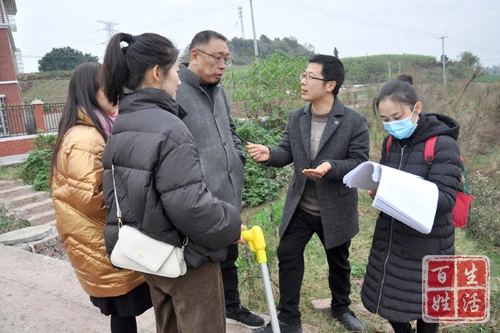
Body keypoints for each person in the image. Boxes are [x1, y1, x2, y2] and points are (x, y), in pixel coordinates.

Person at [100, 32, 243, 333]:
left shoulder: (124, 124)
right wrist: (231, 225)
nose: (179, 80)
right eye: (176, 71)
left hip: (150, 254)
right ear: (157, 73)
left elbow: (119, 197)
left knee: (169, 326)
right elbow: (190, 206)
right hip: (186, 258)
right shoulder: (169, 127)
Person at [247, 55, 370, 333]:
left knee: (338, 261)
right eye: (303, 75)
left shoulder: (353, 121)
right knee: (288, 255)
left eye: (309, 77)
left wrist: (331, 167)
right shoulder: (297, 117)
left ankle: (341, 308)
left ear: (330, 85)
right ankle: (288, 319)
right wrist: (269, 154)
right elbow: (286, 152)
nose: (302, 81)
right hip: (301, 205)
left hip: (334, 207)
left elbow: (360, 162)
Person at [50, 62, 152, 333]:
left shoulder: (96, 127)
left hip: (100, 243)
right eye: (108, 87)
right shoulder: (85, 138)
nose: (116, 91)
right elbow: (93, 198)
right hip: (101, 245)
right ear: (89, 91)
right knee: (122, 312)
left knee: (123, 313)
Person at [175, 30, 265, 329]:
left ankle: (232, 306)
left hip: (229, 190)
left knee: (229, 254)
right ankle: (209, 316)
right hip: (199, 197)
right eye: (218, 57)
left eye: (227, 58)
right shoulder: (175, 90)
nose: (223, 64)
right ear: (196, 56)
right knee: (204, 261)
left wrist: (237, 157)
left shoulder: (219, 90)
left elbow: (230, 128)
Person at [361, 74, 462, 333]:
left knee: (427, 309)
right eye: (385, 120)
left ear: (416, 109)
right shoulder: (390, 142)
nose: (391, 125)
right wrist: (379, 189)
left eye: (396, 117)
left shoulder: (442, 144)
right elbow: (387, 177)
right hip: (393, 239)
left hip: (429, 242)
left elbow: (446, 199)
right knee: (391, 301)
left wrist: (398, 192)